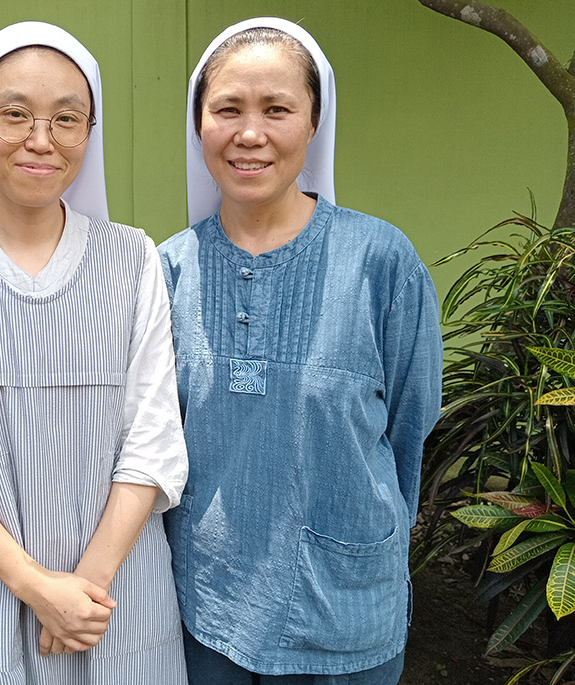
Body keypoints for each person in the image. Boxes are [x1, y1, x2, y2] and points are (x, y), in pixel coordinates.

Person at [0, 21, 188, 685]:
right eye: (14, 114)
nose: (41, 139)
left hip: (116, 598)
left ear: (88, 131)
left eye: (67, 118)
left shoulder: (133, 257)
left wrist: (84, 588)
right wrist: (38, 588)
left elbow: (155, 435)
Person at [159, 17, 443, 684]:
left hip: (346, 616)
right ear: (199, 122)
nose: (250, 132)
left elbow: (411, 425)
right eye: (227, 108)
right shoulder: (169, 269)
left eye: (277, 108)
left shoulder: (381, 260)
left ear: (314, 122)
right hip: (209, 613)